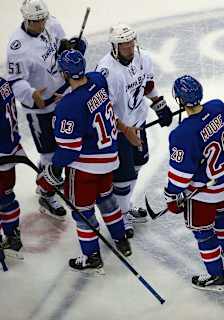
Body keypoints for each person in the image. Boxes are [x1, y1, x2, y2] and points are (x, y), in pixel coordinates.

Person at [36, 50, 131, 273]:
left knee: (82, 212)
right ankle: (121, 240)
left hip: (85, 168)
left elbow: (69, 150)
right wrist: (71, 100)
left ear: (65, 73)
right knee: (107, 200)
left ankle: (92, 257)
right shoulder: (98, 80)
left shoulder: (68, 107)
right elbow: (88, 102)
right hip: (109, 158)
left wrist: (52, 173)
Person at [5, 0, 86, 219]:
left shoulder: (53, 24)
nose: (41, 24)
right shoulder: (17, 47)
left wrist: (73, 49)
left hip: (63, 96)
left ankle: (46, 178)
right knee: (50, 154)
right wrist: (31, 94)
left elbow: (62, 49)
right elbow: (15, 81)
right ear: (26, 19)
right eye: (36, 21)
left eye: (43, 19)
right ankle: (45, 192)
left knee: (66, 145)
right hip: (40, 109)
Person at [96, 24, 173, 238]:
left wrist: (160, 105)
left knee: (138, 164)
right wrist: (124, 129)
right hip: (117, 130)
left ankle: (125, 205)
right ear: (114, 46)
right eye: (124, 44)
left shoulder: (143, 58)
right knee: (123, 175)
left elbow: (147, 85)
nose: (129, 47)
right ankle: (119, 215)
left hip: (137, 122)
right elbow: (104, 109)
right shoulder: (106, 71)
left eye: (131, 42)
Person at [164, 75, 224, 291]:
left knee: (203, 233)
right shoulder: (217, 107)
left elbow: (179, 177)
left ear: (179, 100)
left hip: (202, 193)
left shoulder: (182, 133)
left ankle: (216, 276)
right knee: (223, 214)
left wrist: (171, 196)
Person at [0, 76, 24, 264]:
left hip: (1, 154)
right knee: (7, 197)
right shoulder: (3, 83)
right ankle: (13, 235)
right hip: (11, 151)